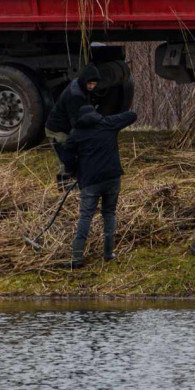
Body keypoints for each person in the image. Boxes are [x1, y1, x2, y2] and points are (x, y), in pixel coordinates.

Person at [60, 104, 137, 268]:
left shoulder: (76, 134)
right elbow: (132, 115)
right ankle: (108, 253)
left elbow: (66, 157)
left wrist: (74, 170)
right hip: (112, 178)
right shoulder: (108, 123)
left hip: (90, 182)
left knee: (85, 216)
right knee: (109, 213)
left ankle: (77, 257)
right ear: (95, 114)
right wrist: (110, 118)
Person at [45, 64, 101, 188]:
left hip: (68, 127)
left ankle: (72, 186)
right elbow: (76, 123)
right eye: (90, 84)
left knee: (74, 158)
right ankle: (65, 189)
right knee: (67, 159)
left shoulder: (82, 87)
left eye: (94, 84)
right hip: (58, 130)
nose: (92, 87)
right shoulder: (74, 95)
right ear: (84, 81)